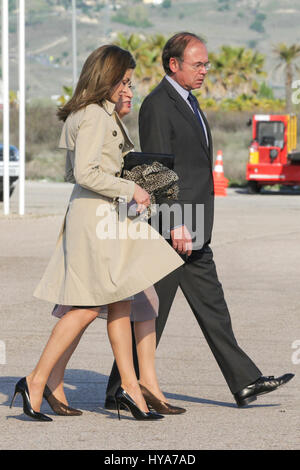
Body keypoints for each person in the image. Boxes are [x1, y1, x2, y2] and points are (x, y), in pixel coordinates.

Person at [105, 33, 294, 408]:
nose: (205, 70)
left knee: (211, 307)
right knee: (150, 313)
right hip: (176, 227)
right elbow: (157, 169)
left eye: (206, 64)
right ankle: (119, 389)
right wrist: (174, 222)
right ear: (173, 64)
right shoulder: (159, 104)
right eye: (198, 64)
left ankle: (244, 382)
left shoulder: (188, 102)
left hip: (195, 228)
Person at [10, 44, 184, 422]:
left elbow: (103, 165)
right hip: (96, 219)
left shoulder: (98, 113)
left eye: (129, 82)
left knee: (120, 298)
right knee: (89, 305)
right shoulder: (91, 115)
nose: (127, 88)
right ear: (106, 76)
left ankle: (129, 387)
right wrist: (131, 190)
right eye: (123, 81)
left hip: (105, 215)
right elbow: (86, 173)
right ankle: (36, 379)